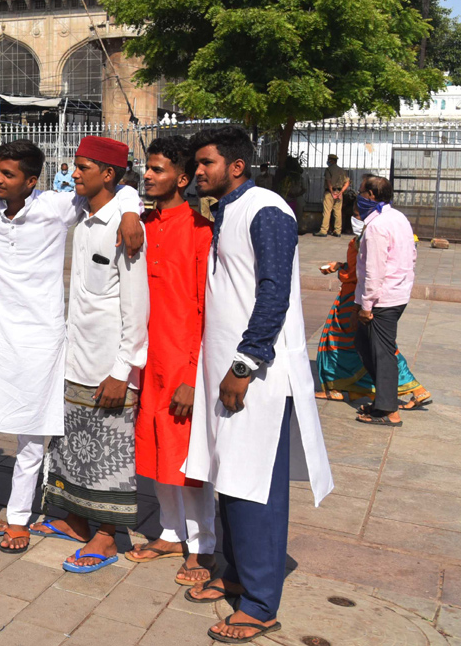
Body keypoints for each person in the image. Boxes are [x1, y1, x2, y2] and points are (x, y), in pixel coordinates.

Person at [0, 140, 145, 562]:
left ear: (32, 181)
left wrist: (132, 208)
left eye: (9, 176)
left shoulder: (58, 208)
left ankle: (19, 519)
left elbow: (119, 186)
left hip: (41, 342)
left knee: (31, 438)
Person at [184, 126, 333, 643]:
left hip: (256, 377)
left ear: (237, 165)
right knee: (230, 478)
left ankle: (261, 603)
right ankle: (238, 574)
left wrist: (245, 364)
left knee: (256, 489)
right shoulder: (228, 209)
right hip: (227, 374)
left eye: (205, 162)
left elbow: (274, 293)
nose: (197, 171)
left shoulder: (267, 209)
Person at [39, 136, 149, 574]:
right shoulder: (84, 220)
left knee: (110, 451)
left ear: (108, 174)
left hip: (110, 364)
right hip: (76, 357)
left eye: (83, 166)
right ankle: (77, 520)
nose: (74, 173)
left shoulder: (126, 229)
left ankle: (106, 535)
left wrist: (123, 369)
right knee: (73, 447)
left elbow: (137, 305)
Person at [126, 136, 216, 586]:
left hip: (184, 361)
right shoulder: (142, 224)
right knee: (156, 446)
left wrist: (192, 376)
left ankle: (203, 545)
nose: (147, 175)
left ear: (181, 179)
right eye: (147, 168)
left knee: (189, 458)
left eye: (157, 170)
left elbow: (207, 309)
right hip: (148, 359)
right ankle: (168, 530)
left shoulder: (201, 232)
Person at [316, 205, 430, 409]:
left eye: (357, 215)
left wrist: (343, 273)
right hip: (376, 296)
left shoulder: (366, 239)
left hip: (357, 298)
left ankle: (411, 389)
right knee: (367, 345)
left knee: (354, 343)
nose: (354, 219)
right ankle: (342, 387)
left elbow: (361, 272)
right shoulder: (382, 234)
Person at [353, 176, 418, 428]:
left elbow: (375, 269)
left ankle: (389, 411)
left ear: (370, 195)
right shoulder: (398, 218)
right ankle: (383, 400)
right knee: (364, 344)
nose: (358, 197)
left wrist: (367, 305)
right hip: (395, 294)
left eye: (360, 192)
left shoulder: (378, 225)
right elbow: (411, 255)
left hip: (383, 299)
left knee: (382, 353)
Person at [315, 154, 350, 237]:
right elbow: (347, 182)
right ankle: (338, 231)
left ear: (331, 160)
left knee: (327, 211)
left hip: (330, 193)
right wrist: (341, 192)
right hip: (339, 193)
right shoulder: (342, 171)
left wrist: (332, 192)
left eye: (328, 160)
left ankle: (324, 230)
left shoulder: (328, 170)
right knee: (338, 212)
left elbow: (329, 181)